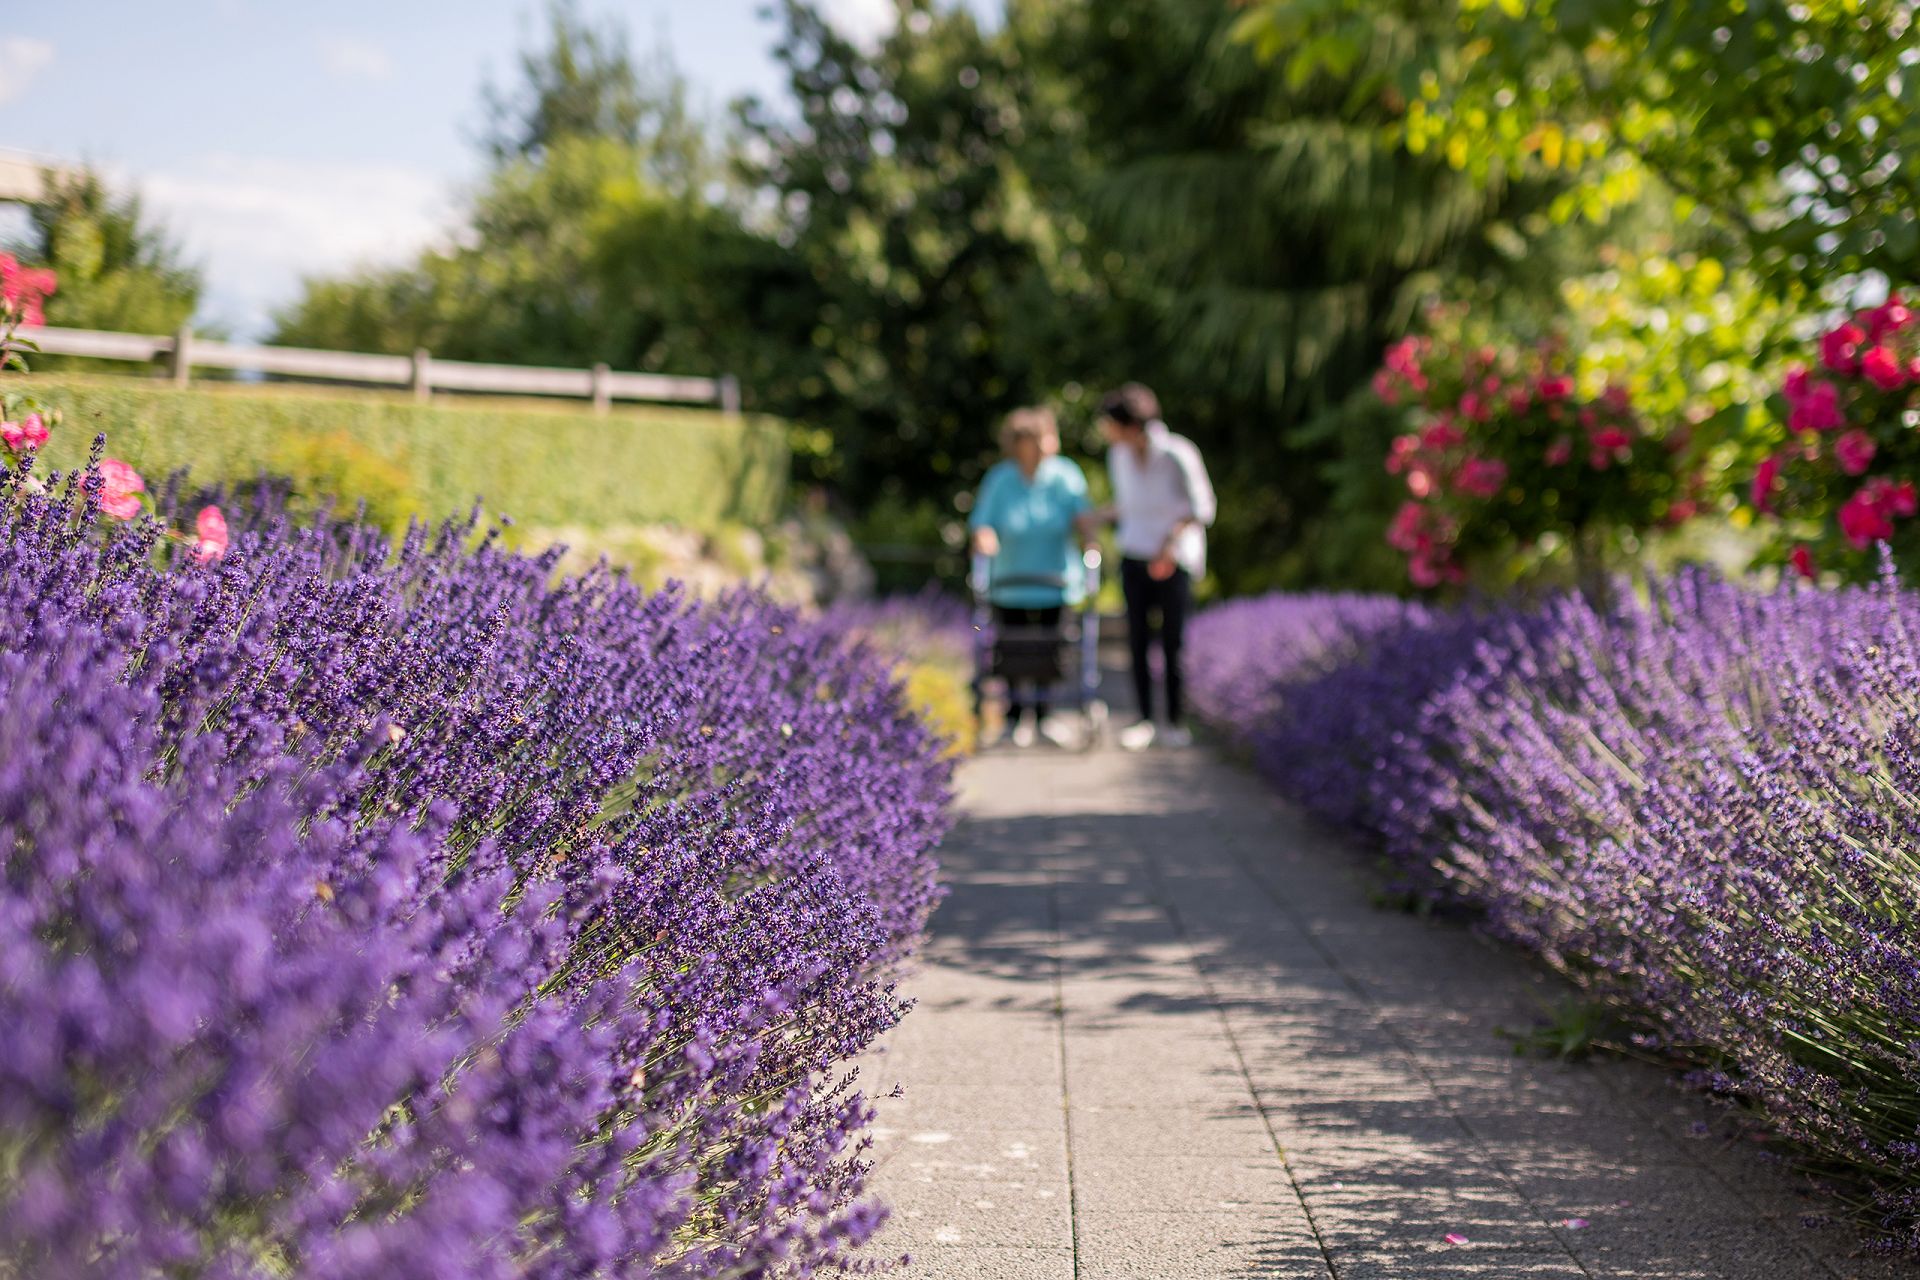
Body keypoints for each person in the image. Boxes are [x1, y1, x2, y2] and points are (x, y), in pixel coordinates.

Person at [1095, 383, 1216, 751]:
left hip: (1173, 558)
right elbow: (1129, 505)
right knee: (1136, 640)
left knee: (1172, 643)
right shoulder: (1118, 457)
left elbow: (1202, 507)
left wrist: (1169, 545)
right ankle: (1144, 719)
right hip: (1135, 554)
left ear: (1130, 425)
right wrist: (1094, 517)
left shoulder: (1178, 453)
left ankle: (1176, 723)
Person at [969, 407, 1092, 748]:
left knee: (1051, 650)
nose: (1041, 447)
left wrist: (1089, 533)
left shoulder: (1066, 476)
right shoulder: (1000, 479)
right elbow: (983, 521)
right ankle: (1013, 719)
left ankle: (1044, 717)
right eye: (1033, 441)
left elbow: (1083, 515)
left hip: (1056, 583)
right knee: (1011, 650)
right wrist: (984, 537)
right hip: (1010, 582)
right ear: (1017, 444)